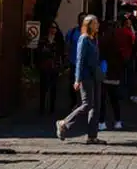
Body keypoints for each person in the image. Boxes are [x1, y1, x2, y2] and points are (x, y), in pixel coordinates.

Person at [56, 14, 103, 144]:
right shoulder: (84, 39)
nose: (98, 25)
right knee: (87, 104)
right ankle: (64, 123)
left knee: (96, 106)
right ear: (89, 25)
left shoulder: (94, 39)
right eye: (95, 23)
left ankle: (92, 136)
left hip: (95, 76)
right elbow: (79, 60)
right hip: (86, 76)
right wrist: (77, 79)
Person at [98, 20, 125, 130]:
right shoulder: (117, 42)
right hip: (114, 75)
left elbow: (100, 58)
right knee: (114, 100)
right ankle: (118, 121)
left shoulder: (101, 41)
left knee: (102, 100)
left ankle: (101, 122)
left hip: (104, 75)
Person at [35, 22, 64, 114]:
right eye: (51, 27)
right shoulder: (43, 40)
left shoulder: (58, 41)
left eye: (55, 28)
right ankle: (42, 107)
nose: (53, 29)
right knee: (43, 87)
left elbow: (61, 53)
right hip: (44, 66)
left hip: (54, 66)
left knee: (53, 87)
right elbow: (39, 52)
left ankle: (52, 108)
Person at [65, 12, 87, 111]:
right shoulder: (72, 32)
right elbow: (67, 46)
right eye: (80, 19)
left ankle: (85, 104)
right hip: (74, 63)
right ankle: (74, 103)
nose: (82, 21)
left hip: (86, 64)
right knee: (73, 85)